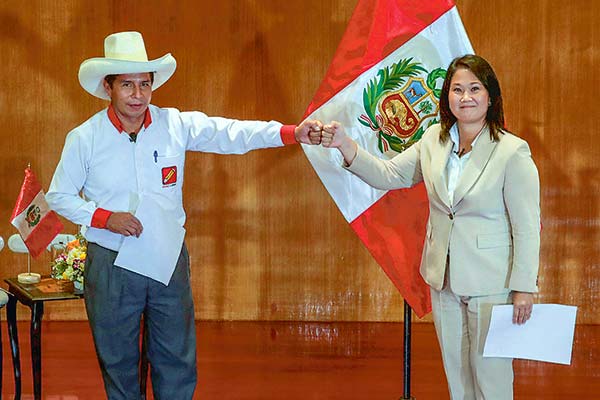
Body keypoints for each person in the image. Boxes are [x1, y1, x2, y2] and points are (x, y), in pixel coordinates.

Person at [46, 31, 322, 400]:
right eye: (127, 85)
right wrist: (102, 217)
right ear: (108, 87)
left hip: (167, 259)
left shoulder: (174, 124)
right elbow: (58, 196)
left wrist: (290, 133)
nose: (138, 95)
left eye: (145, 84)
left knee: (176, 357)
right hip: (111, 262)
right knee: (118, 362)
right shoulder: (85, 137)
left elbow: (231, 133)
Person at [320, 54, 540, 399]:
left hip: (492, 283)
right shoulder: (433, 139)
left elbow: (527, 226)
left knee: (491, 377)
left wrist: (524, 287)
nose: (465, 98)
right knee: (457, 376)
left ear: (491, 96)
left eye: (474, 89)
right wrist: (345, 145)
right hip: (444, 278)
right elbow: (389, 175)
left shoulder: (513, 152)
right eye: (457, 90)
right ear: (446, 97)